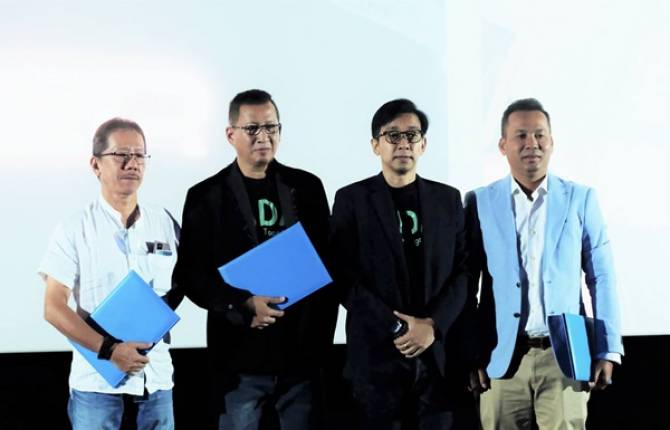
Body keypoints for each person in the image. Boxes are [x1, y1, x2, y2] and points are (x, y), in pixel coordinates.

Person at [173, 89, 338, 429]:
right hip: (239, 360)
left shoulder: (307, 187)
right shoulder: (206, 196)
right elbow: (193, 274)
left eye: (271, 127)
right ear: (230, 134)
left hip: (301, 358)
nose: (263, 136)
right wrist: (242, 303)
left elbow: (328, 264)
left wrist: (320, 344)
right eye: (252, 129)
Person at [465, 98, 624, 429]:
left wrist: (607, 349)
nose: (532, 143)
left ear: (551, 142)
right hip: (501, 358)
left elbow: (602, 276)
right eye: (521, 135)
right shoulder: (480, 201)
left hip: (565, 357)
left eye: (539, 135)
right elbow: (466, 284)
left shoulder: (580, 198)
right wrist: (469, 352)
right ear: (503, 145)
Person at [330, 98, 477, 429]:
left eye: (412, 135)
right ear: (375, 145)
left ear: (423, 144)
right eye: (392, 135)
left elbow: (464, 272)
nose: (403, 143)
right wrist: (397, 327)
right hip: (376, 359)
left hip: (437, 358)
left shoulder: (448, 199)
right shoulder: (352, 200)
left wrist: (432, 325)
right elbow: (341, 275)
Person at [39, 118, 182, 429]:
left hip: (155, 379)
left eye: (139, 155)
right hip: (97, 384)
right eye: (121, 155)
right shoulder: (75, 227)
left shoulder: (164, 221)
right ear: (96, 165)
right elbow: (53, 307)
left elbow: (184, 283)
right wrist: (110, 350)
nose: (132, 164)